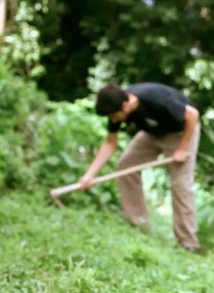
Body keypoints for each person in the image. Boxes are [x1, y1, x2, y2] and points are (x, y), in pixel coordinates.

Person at [80, 82, 201, 252]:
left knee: (181, 184)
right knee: (125, 166)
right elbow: (110, 143)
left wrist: (183, 147)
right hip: (152, 134)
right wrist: (90, 174)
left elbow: (192, 115)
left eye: (114, 116)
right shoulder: (117, 106)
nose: (113, 120)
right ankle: (139, 225)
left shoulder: (155, 98)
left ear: (125, 105)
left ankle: (188, 242)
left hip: (180, 133)